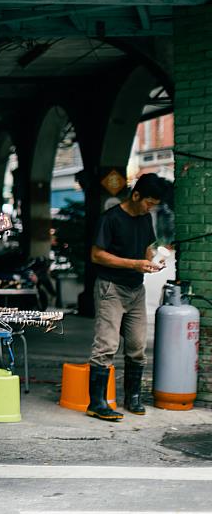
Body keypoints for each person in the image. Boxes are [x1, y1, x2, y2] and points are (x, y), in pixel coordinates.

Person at [86, 172, 166, 421]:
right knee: (106, 345)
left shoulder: (145, 219)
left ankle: (133, 397)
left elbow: (147, 249)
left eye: (154, 205)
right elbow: (97, 255)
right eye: (148, 203)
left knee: (137, 346)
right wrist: (133, 264)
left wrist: (153, 260)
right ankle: (96, 403)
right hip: (111, 288)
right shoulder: (111, 219)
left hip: (136, 290)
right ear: (136, 195)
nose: (149, 208)